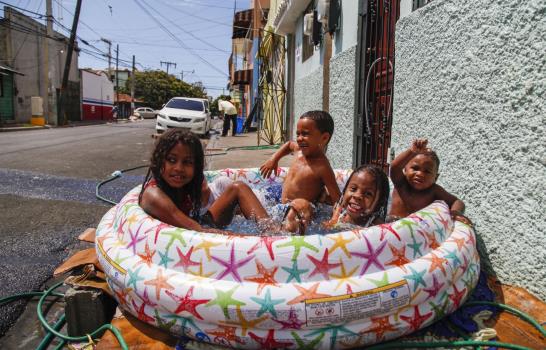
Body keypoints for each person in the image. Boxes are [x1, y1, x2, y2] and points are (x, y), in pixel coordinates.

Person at [138, 129, 274, 233]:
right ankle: (270, 241)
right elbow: (198, 230)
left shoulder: (188, 185)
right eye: (172, 160)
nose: (179, 168)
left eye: (187, 162)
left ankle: (272, 231)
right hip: (196, 234)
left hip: (197, 224)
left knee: (238, 187)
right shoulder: (153, 195)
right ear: (159, 160)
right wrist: (250, 242)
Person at [260, 110, 341, 233]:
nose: (299, 138)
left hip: (296, 211)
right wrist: (274, 159)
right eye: (298, 134)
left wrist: (334, 220)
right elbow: (288, 145)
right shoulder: (299, 150)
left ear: (324, 138)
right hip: (279, 202)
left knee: (287, 226)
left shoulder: (322, 167)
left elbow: (337, 200)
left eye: (305, 134)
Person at [388, 138, 470, 224]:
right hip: (392, 226)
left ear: (436, 177)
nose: (420, 174)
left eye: (427, 171)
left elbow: (457, 202)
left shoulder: (433, 191)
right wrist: (412, 151)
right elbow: (395, 167)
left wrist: (455, 213)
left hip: (416, 231)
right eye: (415, 168)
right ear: (405, 169)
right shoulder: (401, 183)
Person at [323, 165, 390, 229]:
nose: (357, 196)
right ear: (345, 190)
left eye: (368, 194)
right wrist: (333, 221)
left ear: (379, 202)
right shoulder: (338, 215)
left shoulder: (376, 226)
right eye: (353, 189)